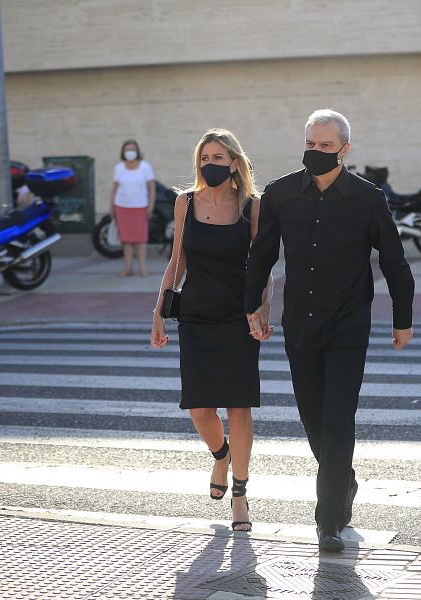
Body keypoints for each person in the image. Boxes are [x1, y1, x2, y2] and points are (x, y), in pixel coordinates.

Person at [244, 109, 415, 552]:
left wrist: (402, 319)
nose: (316, 152)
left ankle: (330, 521)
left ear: (344, 149)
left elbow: (394, 260)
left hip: (348, 324)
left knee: (338, 421)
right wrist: (252, 308)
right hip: (299, 321)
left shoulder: (367, 198)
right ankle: (344, 481)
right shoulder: (281, 194)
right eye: (311, 144)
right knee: (313, 421)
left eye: (325, 145)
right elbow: (261, 256)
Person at [150, 128, 270, 532]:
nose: (210, 165)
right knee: (200, 408)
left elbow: (261, 267)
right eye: (205, 158)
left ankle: (240, 495)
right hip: (197, 316)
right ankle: (221, 456)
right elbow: (177, 261)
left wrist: (260, 308)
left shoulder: (251, 206)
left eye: (219, 158)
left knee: (239, 407)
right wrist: (158, 310)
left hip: (237, 317)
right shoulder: (185, 202)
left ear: (234, 163)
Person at [111, 139, 156, 277]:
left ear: (137, 151)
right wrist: (112, 207)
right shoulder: (119, 168)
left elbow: (151, 188)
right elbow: (114, 189)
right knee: (126, 240)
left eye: (132, 149)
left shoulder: (145, 167)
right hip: (122, 207)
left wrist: (151, 206)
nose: (130, 152)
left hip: (140, 207)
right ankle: (128, 268)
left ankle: (142, 268)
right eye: (127, 150)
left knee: (141, 239)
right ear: (123, 152)